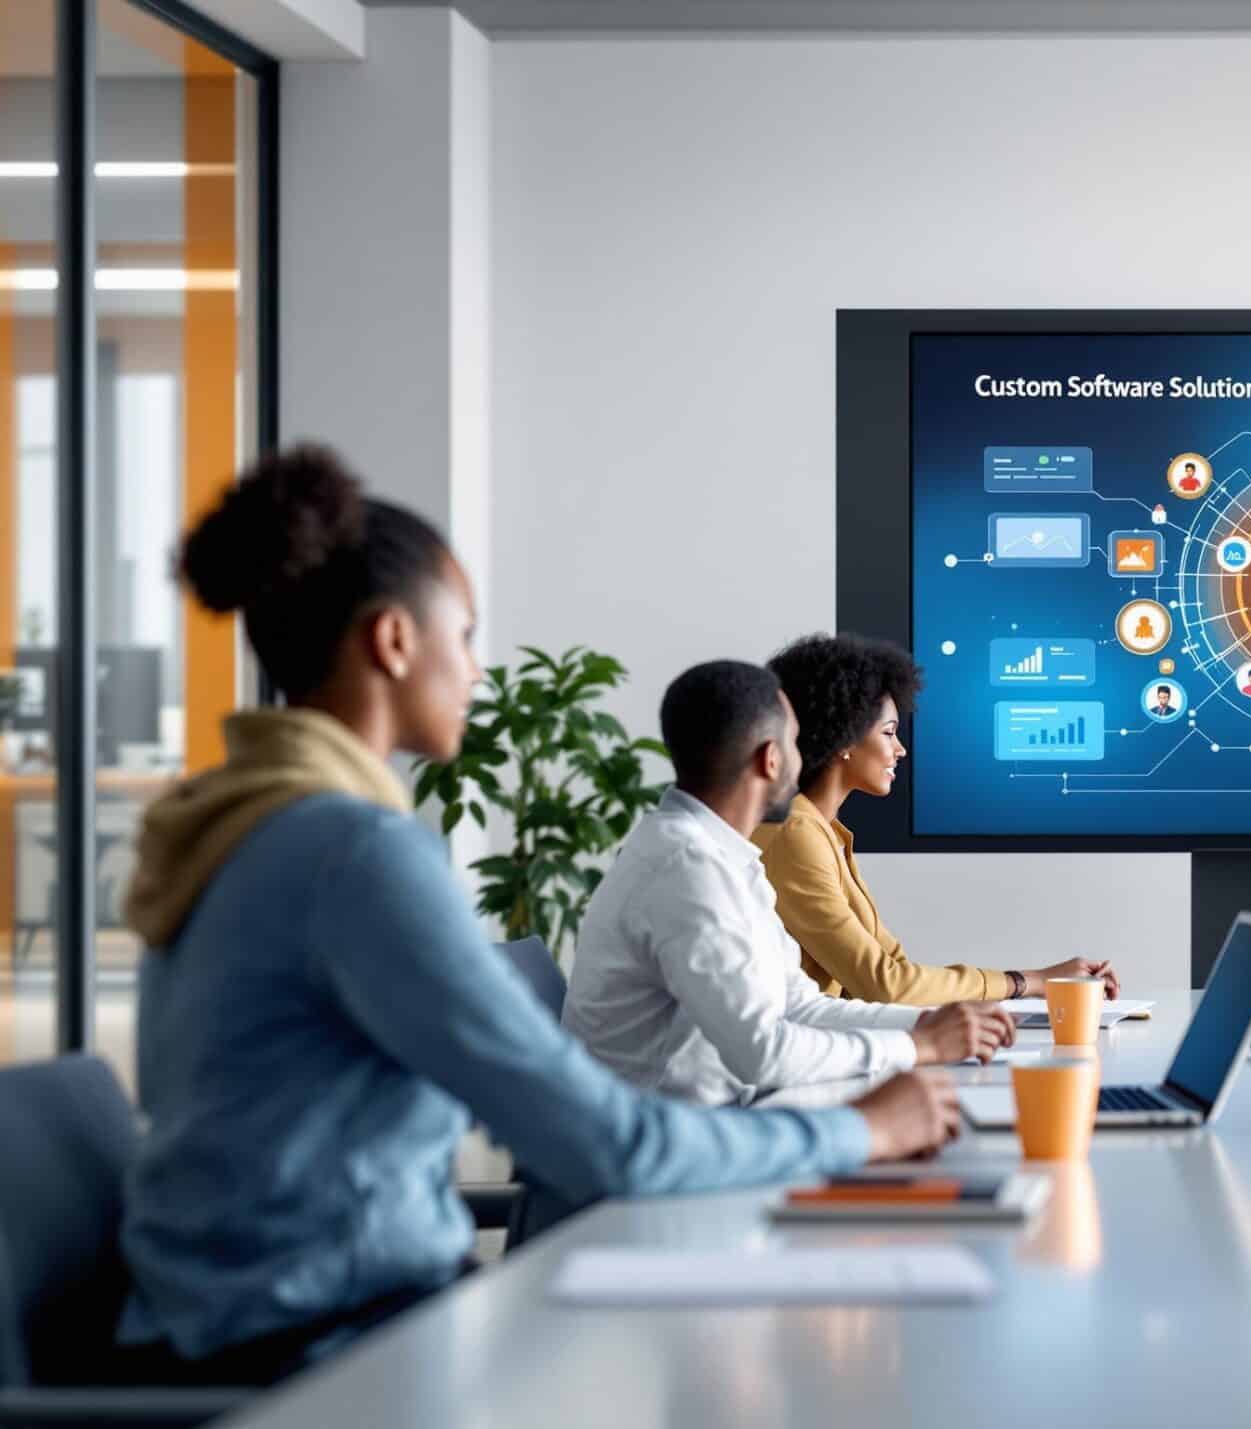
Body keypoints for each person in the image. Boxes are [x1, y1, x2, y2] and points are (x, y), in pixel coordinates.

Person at [113, 447, 960, 1387]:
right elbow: (611, 1141)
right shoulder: (354, 853)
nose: (477, 670)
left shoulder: (239, 818)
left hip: (256, 1319)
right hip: (326, 1350)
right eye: (465, 636)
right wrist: (868, 1131)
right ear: (395, 642)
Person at [568, 661, 1014, 1101]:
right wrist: (922, 1046)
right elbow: (762, 1052)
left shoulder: (727, 857)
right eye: (798, 742)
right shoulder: (687, 867)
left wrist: (928, 1025)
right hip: (664, 1145)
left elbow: (800, 1005)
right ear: (772, 759)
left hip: (715, 1119)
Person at [754, 633, 1119, 1006]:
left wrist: (1041, 979)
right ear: (843, 737)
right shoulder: (796, 834)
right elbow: (886, 985)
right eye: (889, 733)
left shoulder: (821, 830)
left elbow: (894, 969)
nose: (901, 749)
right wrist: (1029, 982)